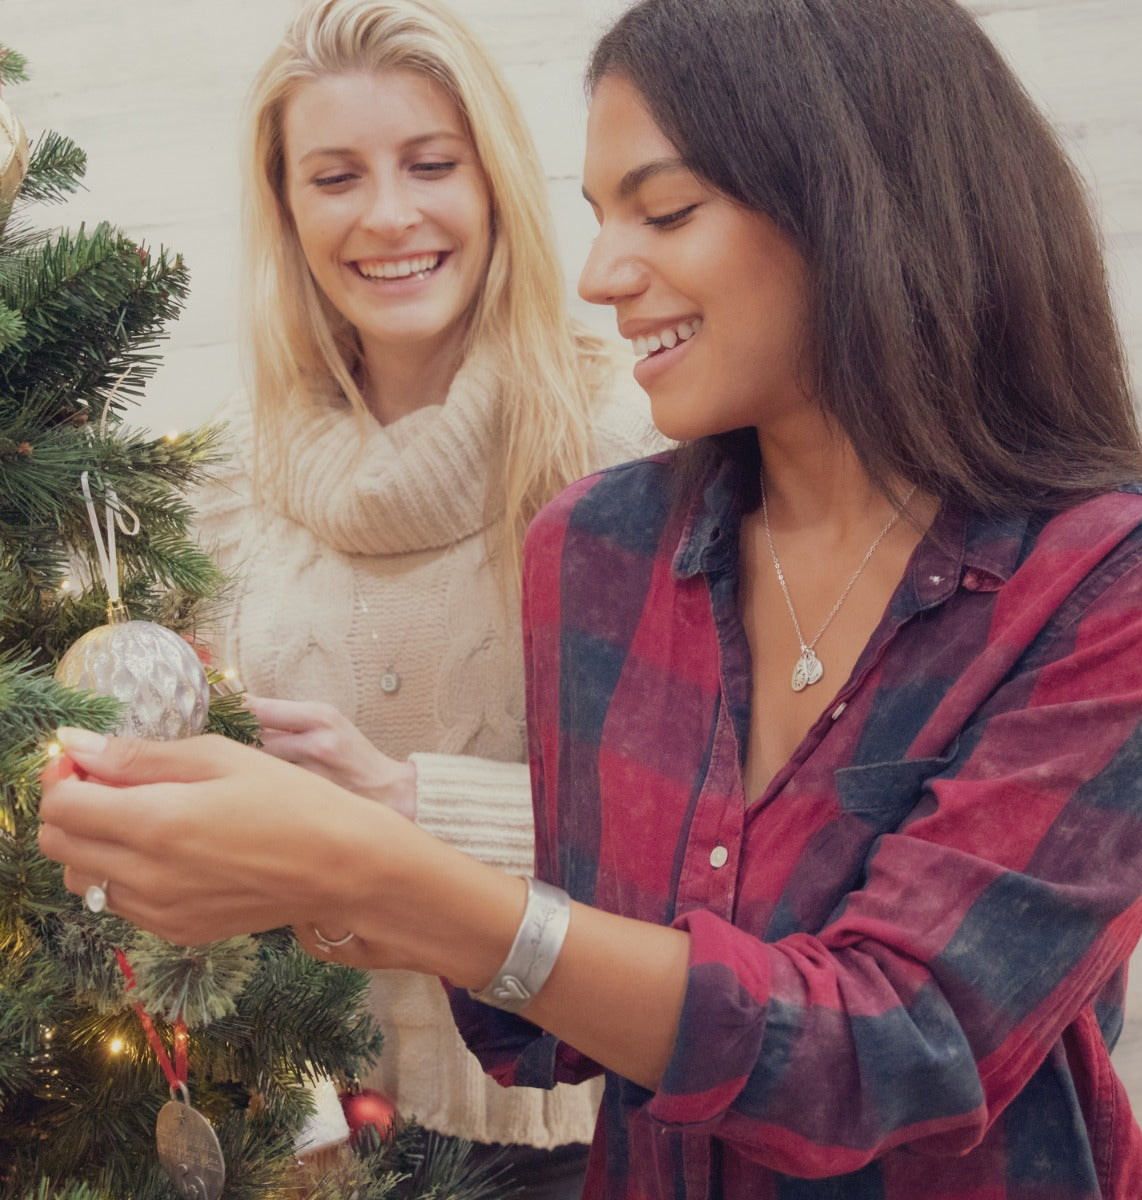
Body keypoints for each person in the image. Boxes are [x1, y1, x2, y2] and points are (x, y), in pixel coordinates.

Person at [38, 0, 1142, 1196]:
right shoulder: (601, 544)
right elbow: (553, 1023)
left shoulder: (1127, 578)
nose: (600, 273)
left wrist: (375, 860)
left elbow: (894, 1049)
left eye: (667, 209)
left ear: (859, 200)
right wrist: (262, 868)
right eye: (599, 216)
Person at [178, 0, 658, 1192]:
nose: (388, 215)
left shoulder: (630, 455)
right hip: (305, 1130)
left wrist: (402, 804)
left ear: (492, 182)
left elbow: (707, 829)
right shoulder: (220, 487)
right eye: (334, 176)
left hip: (572, 1121)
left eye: (429, 164)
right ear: (287, 210)